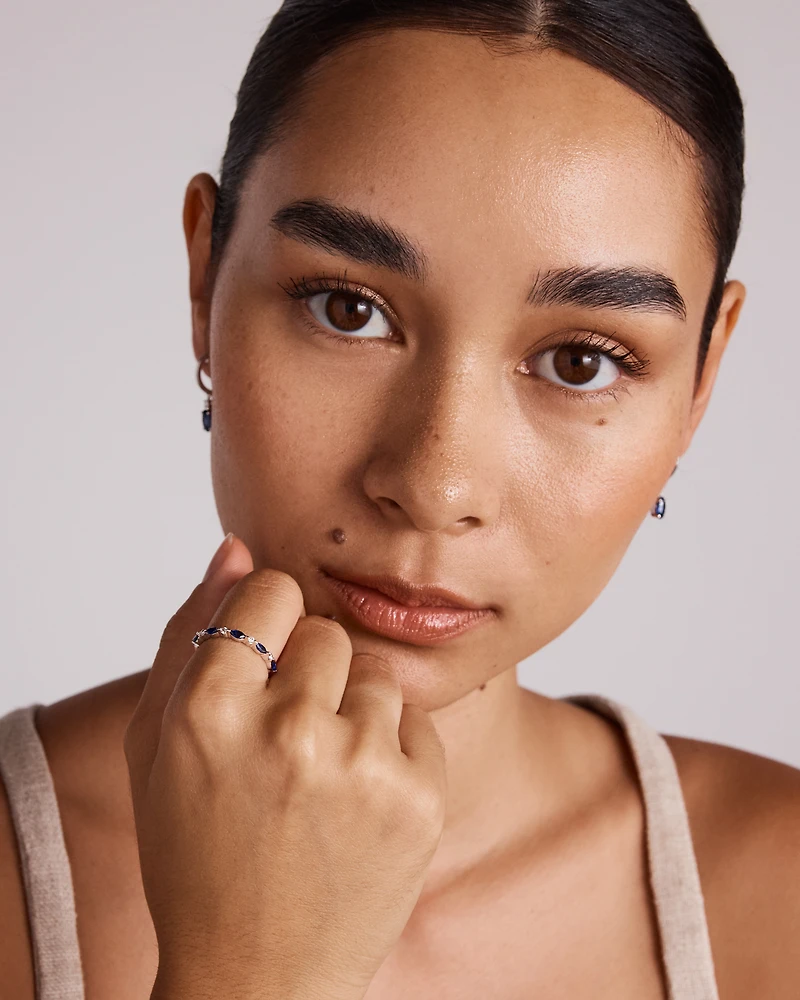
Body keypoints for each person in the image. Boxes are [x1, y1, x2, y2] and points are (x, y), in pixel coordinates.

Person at [1, 1, 799, 997]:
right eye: (347, 309)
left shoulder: (781, 889)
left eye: (580, 359)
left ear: (700, 378)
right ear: (205, 278)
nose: (434, 484)